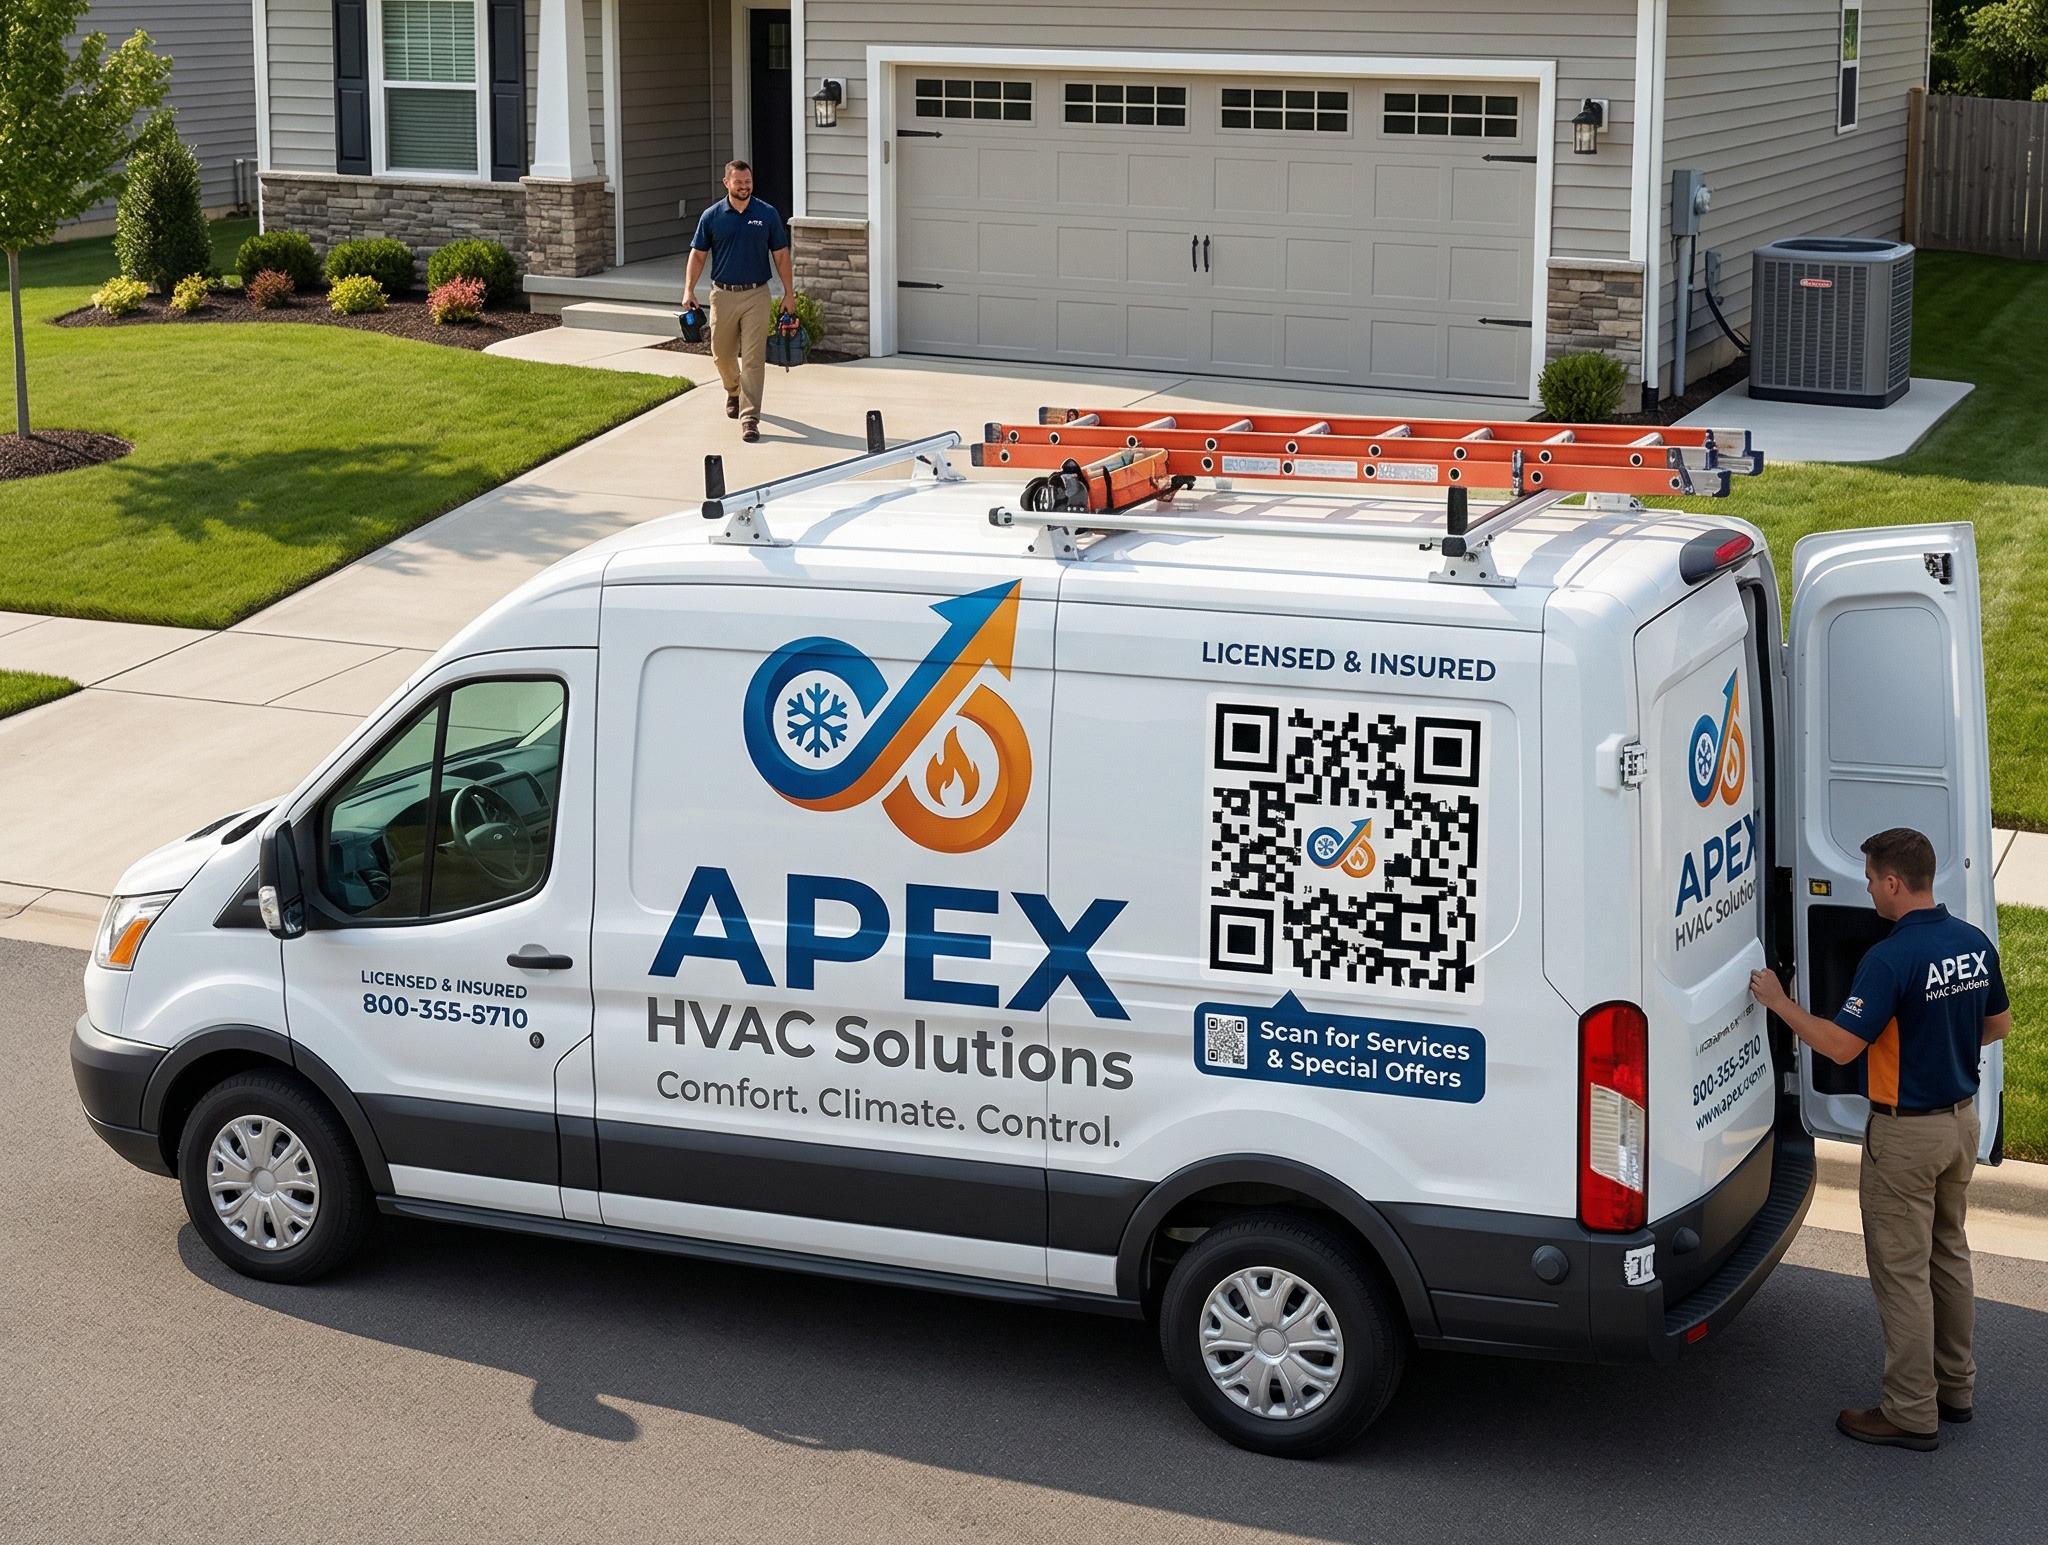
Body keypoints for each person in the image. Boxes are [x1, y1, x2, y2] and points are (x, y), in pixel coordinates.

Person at [1750, 826, 2011, 1452]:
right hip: (1960, 1124)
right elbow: (1996, 1024)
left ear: (1894, 882)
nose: (1868, 890)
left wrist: (1780, 1003)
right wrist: (1936, 1046)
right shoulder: (1971, 942)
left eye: (1870, 879)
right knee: (1948, 1254)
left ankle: (1910, 1412)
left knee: (1901, 1274)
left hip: (1907, 1138)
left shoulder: (1889, 958)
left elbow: (1842, 1044)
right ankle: (1956, 1388)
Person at [684, 160, 795, 443]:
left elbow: (781, 255)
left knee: (754, 360)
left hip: (757, 295)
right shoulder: (712, 216)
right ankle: (734, 390)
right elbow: (697, 255)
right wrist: (689, 290)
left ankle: (749, 418)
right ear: (727, 183)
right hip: (722, 294)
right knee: (721, 355)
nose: (744, 186)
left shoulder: (767, 214)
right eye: (739, 182)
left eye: (748, 182)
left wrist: (788, 293)